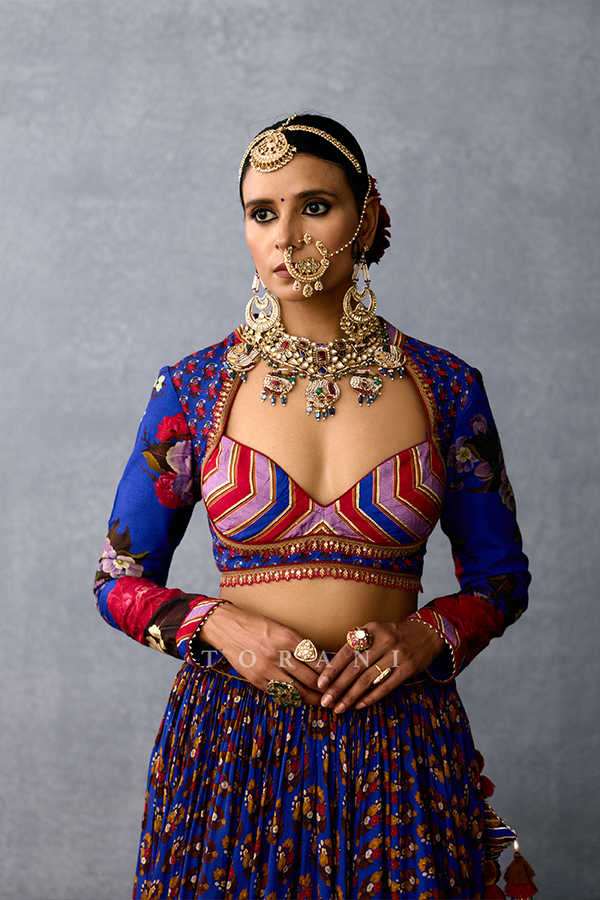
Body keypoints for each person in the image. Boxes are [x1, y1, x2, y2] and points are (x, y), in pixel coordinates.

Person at [95, 113, 531, 900]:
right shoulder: (193, 390)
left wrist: (427, 634)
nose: (286, 238)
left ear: (367, 216)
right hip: (232, 752)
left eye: (316, 207)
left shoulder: (446, 388)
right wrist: (217, 626)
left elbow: (501, 579)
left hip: (400, 744)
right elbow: (117, 578)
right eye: (263, 213)